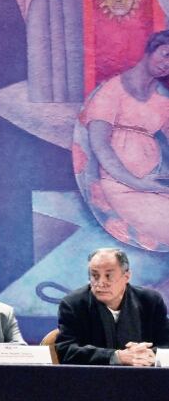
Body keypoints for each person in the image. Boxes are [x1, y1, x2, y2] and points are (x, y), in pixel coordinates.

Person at [72, 30, 169, 252]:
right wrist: (135, 182)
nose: (167, 64)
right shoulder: (111, 91)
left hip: (155, 183)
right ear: (151, 50)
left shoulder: (163, 98)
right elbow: (100, 147)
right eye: (165, 54)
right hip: (120, 187)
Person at [55, 248, 169, 365]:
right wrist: (116, 357)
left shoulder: (150, 301)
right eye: (95, 275)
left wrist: (150, 355)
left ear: (126, 276)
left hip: (146, 377)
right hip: (93, 379)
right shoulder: (73, 304)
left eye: (108, 276)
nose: (100, 283)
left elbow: (166, 344)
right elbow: (65, 350)